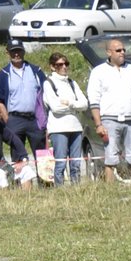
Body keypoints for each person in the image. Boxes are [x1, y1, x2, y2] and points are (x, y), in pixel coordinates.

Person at [86, 38, 131, 183]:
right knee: (111, 157)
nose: (122, 53)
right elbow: (94, 101)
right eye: (118, 50)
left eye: (123, 50)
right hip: (109, 119)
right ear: (109, 52)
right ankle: (110, 189)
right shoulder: (98, 72)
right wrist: (98, 124)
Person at [0, 39, 47, 165]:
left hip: (35, 119)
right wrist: (7, 119)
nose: (16, 54)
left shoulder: (36, 71)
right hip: (14, 119)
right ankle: (19, 183)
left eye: (18, 51)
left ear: (23, 51)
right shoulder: (3, 75)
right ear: (7, 53)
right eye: (13, 52)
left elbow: (45, 93)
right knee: (17, 155)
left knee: (41, 154)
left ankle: (45, 184)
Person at [42, 51, 88, 185]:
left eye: (66, 64)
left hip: (76, 127)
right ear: (52, 66)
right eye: (59, 64)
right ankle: (60, 191)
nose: (64, 67)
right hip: (58, 128)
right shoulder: (49, 83)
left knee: (75, 163)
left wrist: (70, 103)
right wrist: (74, 106)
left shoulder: (72, 83)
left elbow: (84, 104)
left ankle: (76, 189)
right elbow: (55, 108)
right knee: (60, 163)